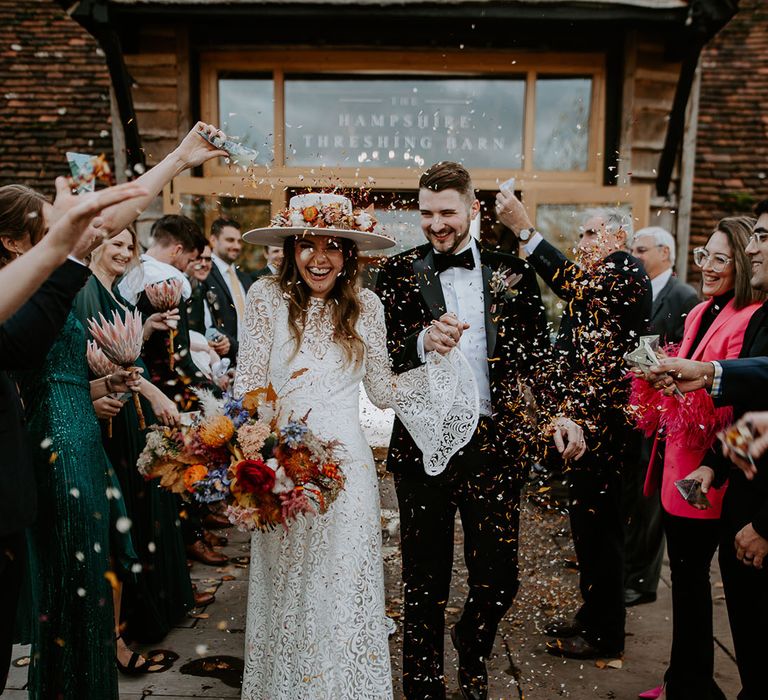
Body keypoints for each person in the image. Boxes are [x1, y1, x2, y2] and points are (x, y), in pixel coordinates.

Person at [235, 192, 480, 700]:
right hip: (283, 469)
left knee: (343, 590)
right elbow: (248, 387)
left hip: (348, 476)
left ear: (349, 253)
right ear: (290, 248)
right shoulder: (264, 298)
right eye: (307, 245)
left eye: (332, 246)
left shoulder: (367, 306)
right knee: (288, 588)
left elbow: (383, 390)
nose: (318, 257)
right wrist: (264, 449)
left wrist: (435, 361)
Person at [376, 162, 585, 700]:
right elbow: (377, 362)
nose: (436, 224)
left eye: (447, 212)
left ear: (473, 209)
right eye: (426, 213)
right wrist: (422, 343)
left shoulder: (509, 269)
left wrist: (560, 410)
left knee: (498, 577)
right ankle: (424, 686)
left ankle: (473, 640)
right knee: (424, 583)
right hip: (423, 447)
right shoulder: (396, 272)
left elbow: (540, 357)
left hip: (496, 446)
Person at [0, 185, 152, 699]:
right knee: (71, 577)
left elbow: (55, 374)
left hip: (79, 428)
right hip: (56, 441)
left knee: (94, 565)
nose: (57, 231)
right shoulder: (17, 294)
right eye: (44, 226)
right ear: (12, 242)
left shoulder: (46, 285)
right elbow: (30, 377)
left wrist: (103, 386)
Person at [496, 191, 652, 661]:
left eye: (591, 232)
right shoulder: (593, 281)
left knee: (602, 534)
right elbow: (569, 350)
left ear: (619, 237)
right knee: (587, 530)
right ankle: (592, 616)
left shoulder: (625, 269)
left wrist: (526, 230)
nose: (582, 240)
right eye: (580, 233)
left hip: (607, 428)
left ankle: (606, 634)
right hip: (581, 424)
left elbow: (572, 286)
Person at [632, 217, 763, 700]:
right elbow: (691, 371)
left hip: (710, 470)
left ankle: (690, 685)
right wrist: (658, 378)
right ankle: (685, 679)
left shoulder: (748, 318)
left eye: (721, 259)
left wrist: (678, 389)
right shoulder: (700, 311)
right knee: (686, 584)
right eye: (704, 256)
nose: (707, 267)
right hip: (676, 462)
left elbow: (733, 402)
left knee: (694, 583)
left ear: (745, 265)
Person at [73, 227, 203, 658]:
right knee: (127, 514)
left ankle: (148, 611)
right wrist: (152, 393)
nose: (125, 252)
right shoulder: (86, 291)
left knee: (145, 507)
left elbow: (123, 351)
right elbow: (96, 358)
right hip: (111, 412)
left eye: (129, 246)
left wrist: (144, 327)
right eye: (116, 244)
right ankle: (125, 625)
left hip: (128, 410)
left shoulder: (112, 292)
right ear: (95, 244)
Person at [119, 214, 229, 566]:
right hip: (164, 385)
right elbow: (171, 349)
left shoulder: (133, 274)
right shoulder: (167, 279)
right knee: (181, 465)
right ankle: (187, 539)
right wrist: (195, 386)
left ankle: (192, 533)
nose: (189, 265)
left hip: (144, 380)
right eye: (189, 257)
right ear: (179, 250)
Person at [624, 226, 700, 608]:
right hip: (638, 409)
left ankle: (642, 581)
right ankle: (626, 566)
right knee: (633, 496)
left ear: (665, 253)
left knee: (652, 501)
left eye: (641, 250)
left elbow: (688, 353)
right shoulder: (638, 290)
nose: (633, 256)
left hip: (667, 409)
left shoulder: (684, 296)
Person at [203, 217, 251, 365]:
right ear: (213, 240)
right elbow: (207, 322)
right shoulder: (204, 273)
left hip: (247, 361)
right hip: (219, 359)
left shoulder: (244, 278)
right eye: (230, 240)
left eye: (239, 241)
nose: (236, 246)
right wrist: (238, 348)